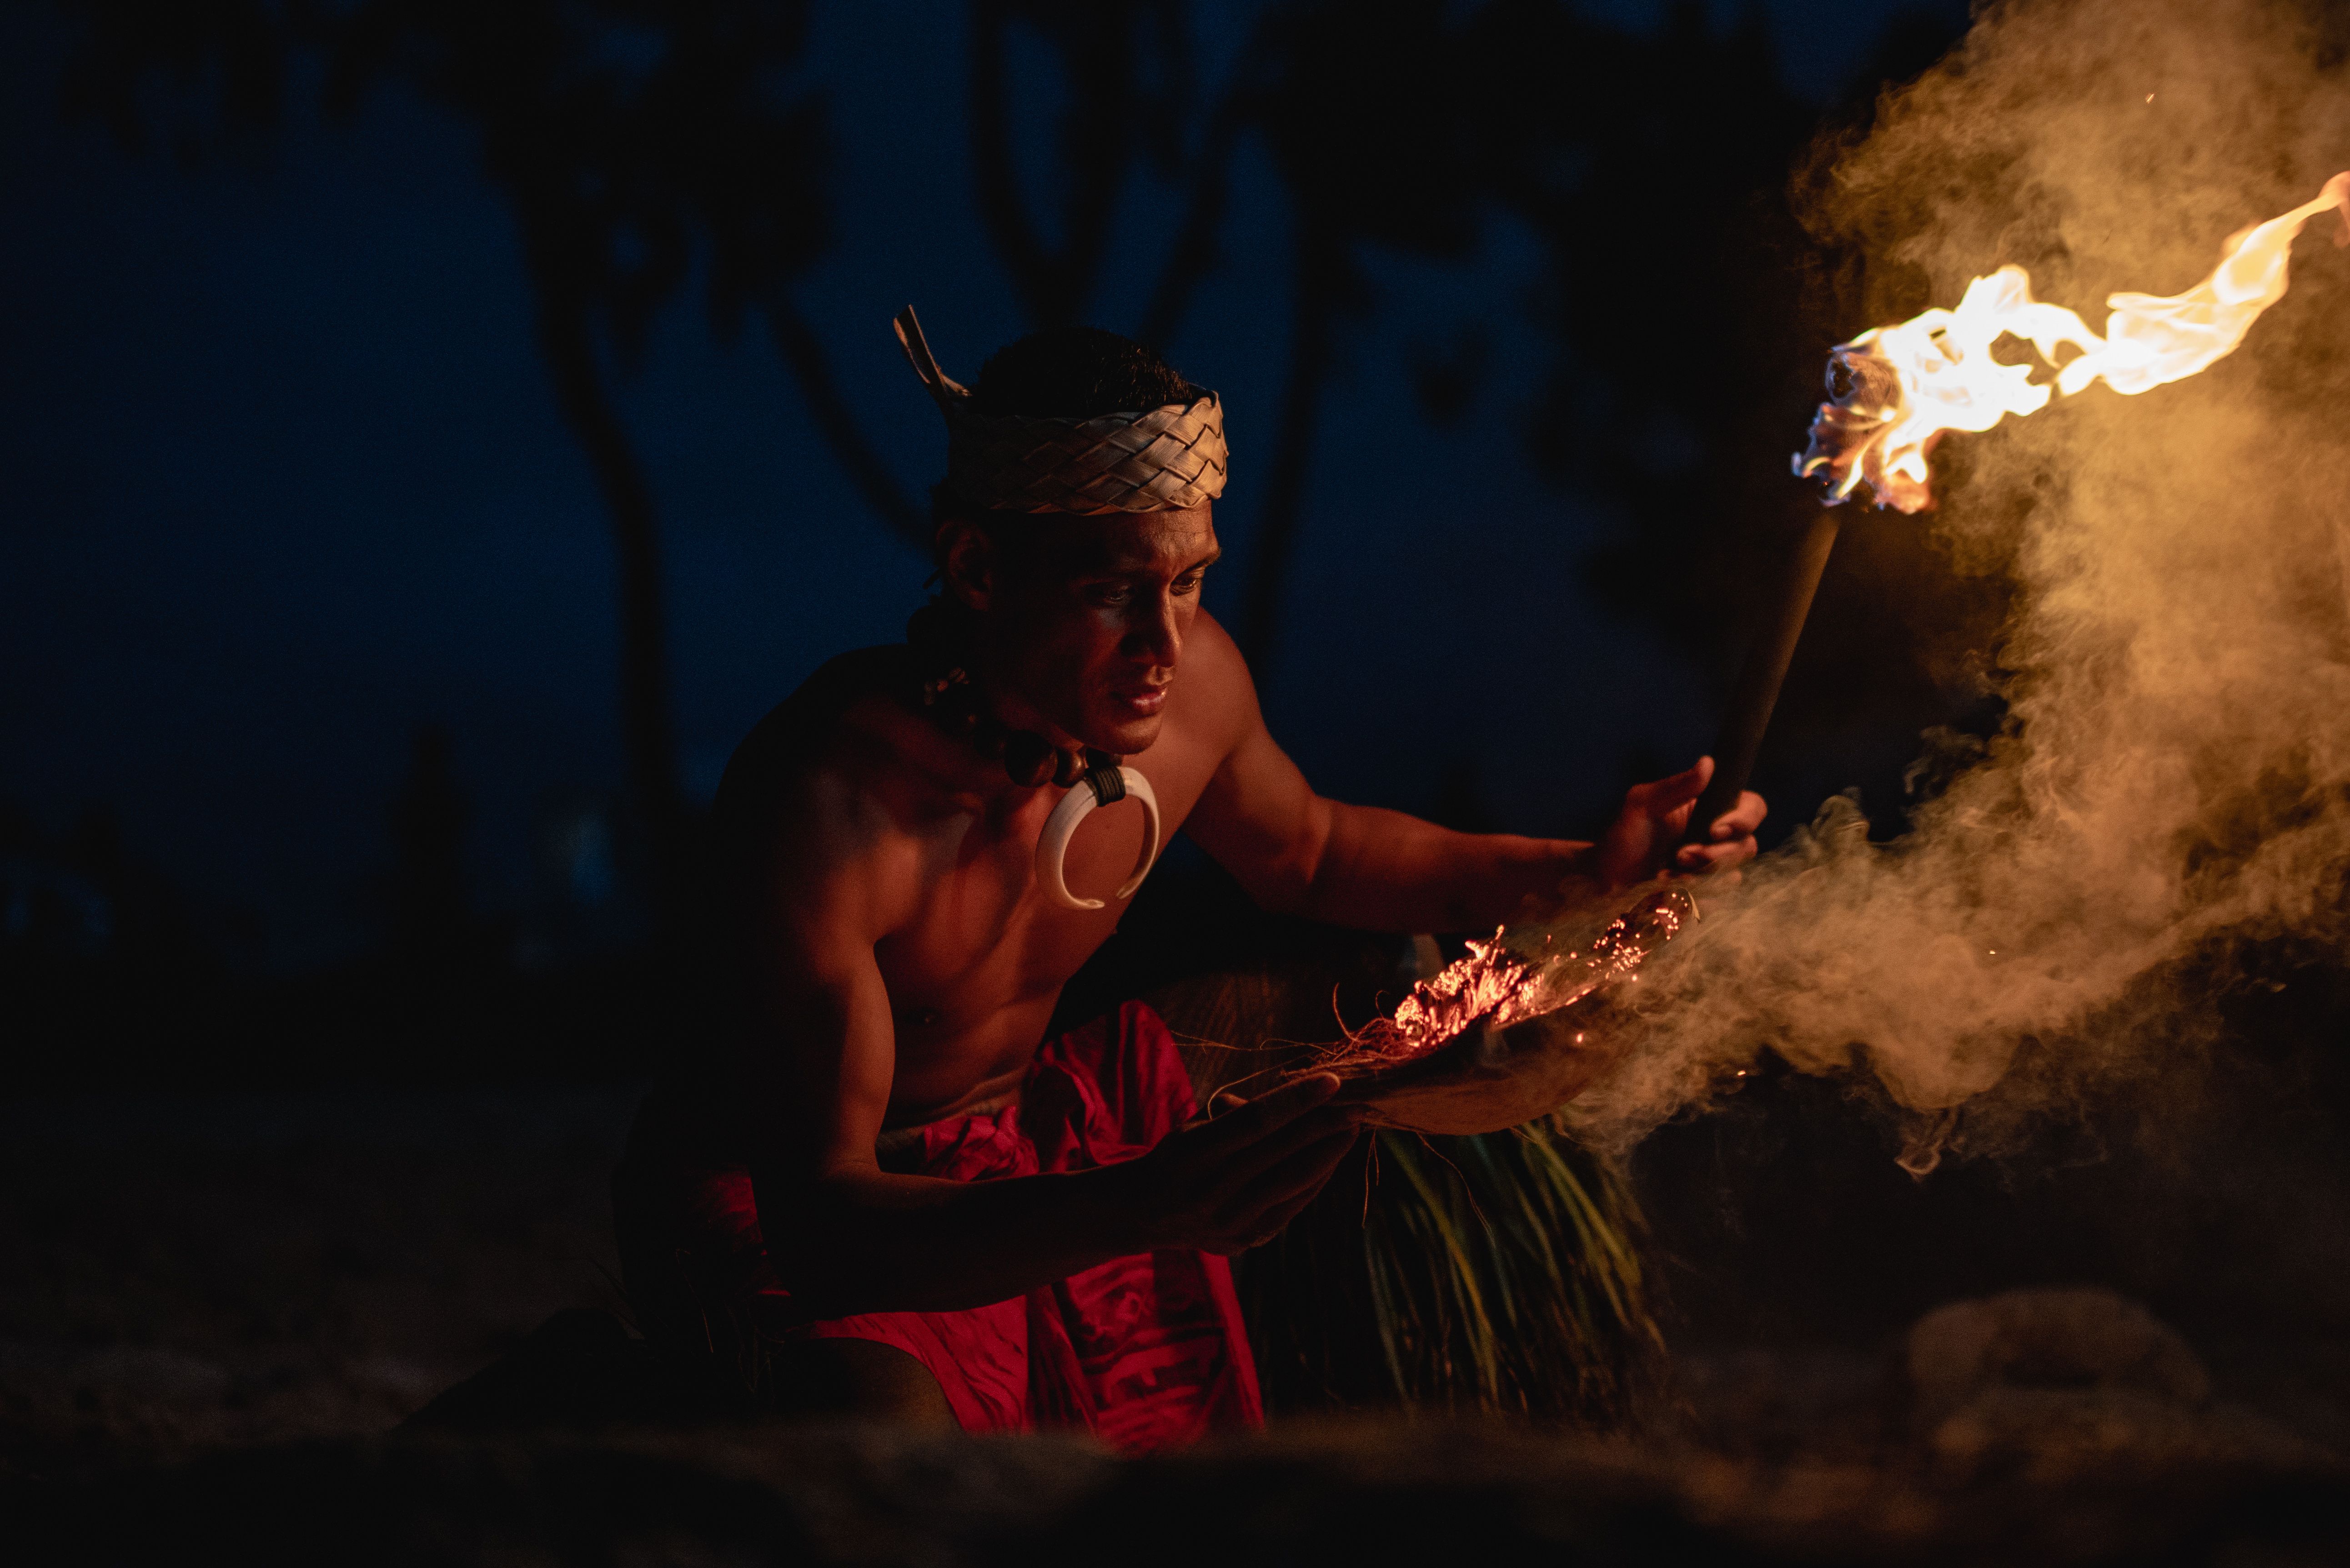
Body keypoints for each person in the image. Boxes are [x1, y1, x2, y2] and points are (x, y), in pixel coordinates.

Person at [613, 310, 1764, 1451]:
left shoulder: (1187, 690)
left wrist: (1586, 871)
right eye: (1112, 590)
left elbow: (1317, 854)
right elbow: (825, 1229)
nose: (1162, 645)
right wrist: (1143, 1203)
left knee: (1346, 980)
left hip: (1029, 1131)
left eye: (1190, 583)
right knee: (881, 1434)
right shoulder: (833, 804)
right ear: (975, 565)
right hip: (797, 1195)